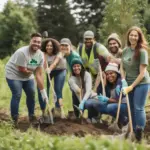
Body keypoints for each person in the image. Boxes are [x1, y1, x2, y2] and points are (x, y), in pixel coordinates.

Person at [5, 33, 48, 126]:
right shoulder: (22, 53)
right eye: (34, 41)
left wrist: (43, 92)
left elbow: (39, 74)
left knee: (31, 94)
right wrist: (33, 72)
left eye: (39, 42)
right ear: (30, 41)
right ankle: (14, 119)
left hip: (28, 75)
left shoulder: (40, 55)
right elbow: (22, 70)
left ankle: (32, 116)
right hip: (14, 74)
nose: (36, 44)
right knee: (17, 94)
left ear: (41, 44)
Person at [121, 26, 150, 141]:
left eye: (135, 35)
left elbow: (142, 73)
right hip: (128, 83)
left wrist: (131, 87)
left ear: (139, 38)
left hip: (141, 83)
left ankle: (139, 132)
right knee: (131, 108)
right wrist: (123, 81)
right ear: (128, 36)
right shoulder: (125, 50)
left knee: (138, 108)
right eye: (131, 35)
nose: (133, 37)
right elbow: (121, 68)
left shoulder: (142, 52)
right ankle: (132, 130)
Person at [38, 38, 67, 119]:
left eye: (51, 46)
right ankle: (44, 111)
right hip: (47, 71)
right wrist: (46, 69)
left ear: (54, 47)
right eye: (47, 45)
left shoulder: (59, 53)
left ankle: (58, 111)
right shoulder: (42, 53)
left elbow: (55, 62)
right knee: (43, 90)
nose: (49, 47)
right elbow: (43, 63)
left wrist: (49, 69)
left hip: (60, 70)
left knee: (57, 90)